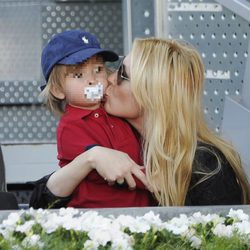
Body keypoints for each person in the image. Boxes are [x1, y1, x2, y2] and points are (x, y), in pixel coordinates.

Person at [30, 37, 250, 208]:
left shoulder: (207, 166)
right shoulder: (112, 130)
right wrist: (89, 158)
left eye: (122, 74)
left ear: (153, 94)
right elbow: (40, 205)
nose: (107, 79)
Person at [30, 29, 153, 209]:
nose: (92, 80)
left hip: (140, 212)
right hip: (96, 217)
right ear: (58, 90)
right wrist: (153, 181)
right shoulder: (71, 126)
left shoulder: (116, 111)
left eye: (98, 69)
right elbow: (112, 171)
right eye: (78, 75)